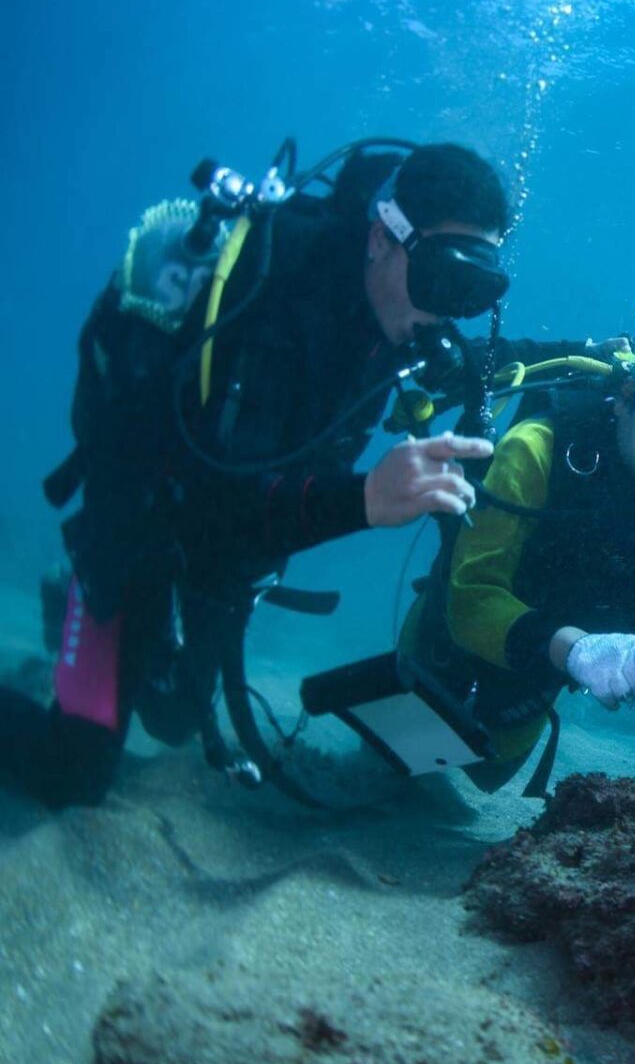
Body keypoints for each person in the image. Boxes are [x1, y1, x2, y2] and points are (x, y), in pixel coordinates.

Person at [5, 140, 534, 809]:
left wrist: (600, 361)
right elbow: (212, 511)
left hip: (239, 538)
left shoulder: (405, 321)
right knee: (70, 772)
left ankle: (85, 620)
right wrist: (365, 499)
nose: (447, 314)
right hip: (150, 512)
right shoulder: (277, 306)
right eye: (441, 277)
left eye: (472, 288)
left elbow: (500, 360)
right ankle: (88, 590)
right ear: (381, 237)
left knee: (170, 716)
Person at [398, 261, 635, 791]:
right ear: (627, 401)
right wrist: (578, 649)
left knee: (490, 770)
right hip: (458, 648)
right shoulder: (536, 449)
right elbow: (469, 600)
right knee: (401, 772)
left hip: (540, 679)